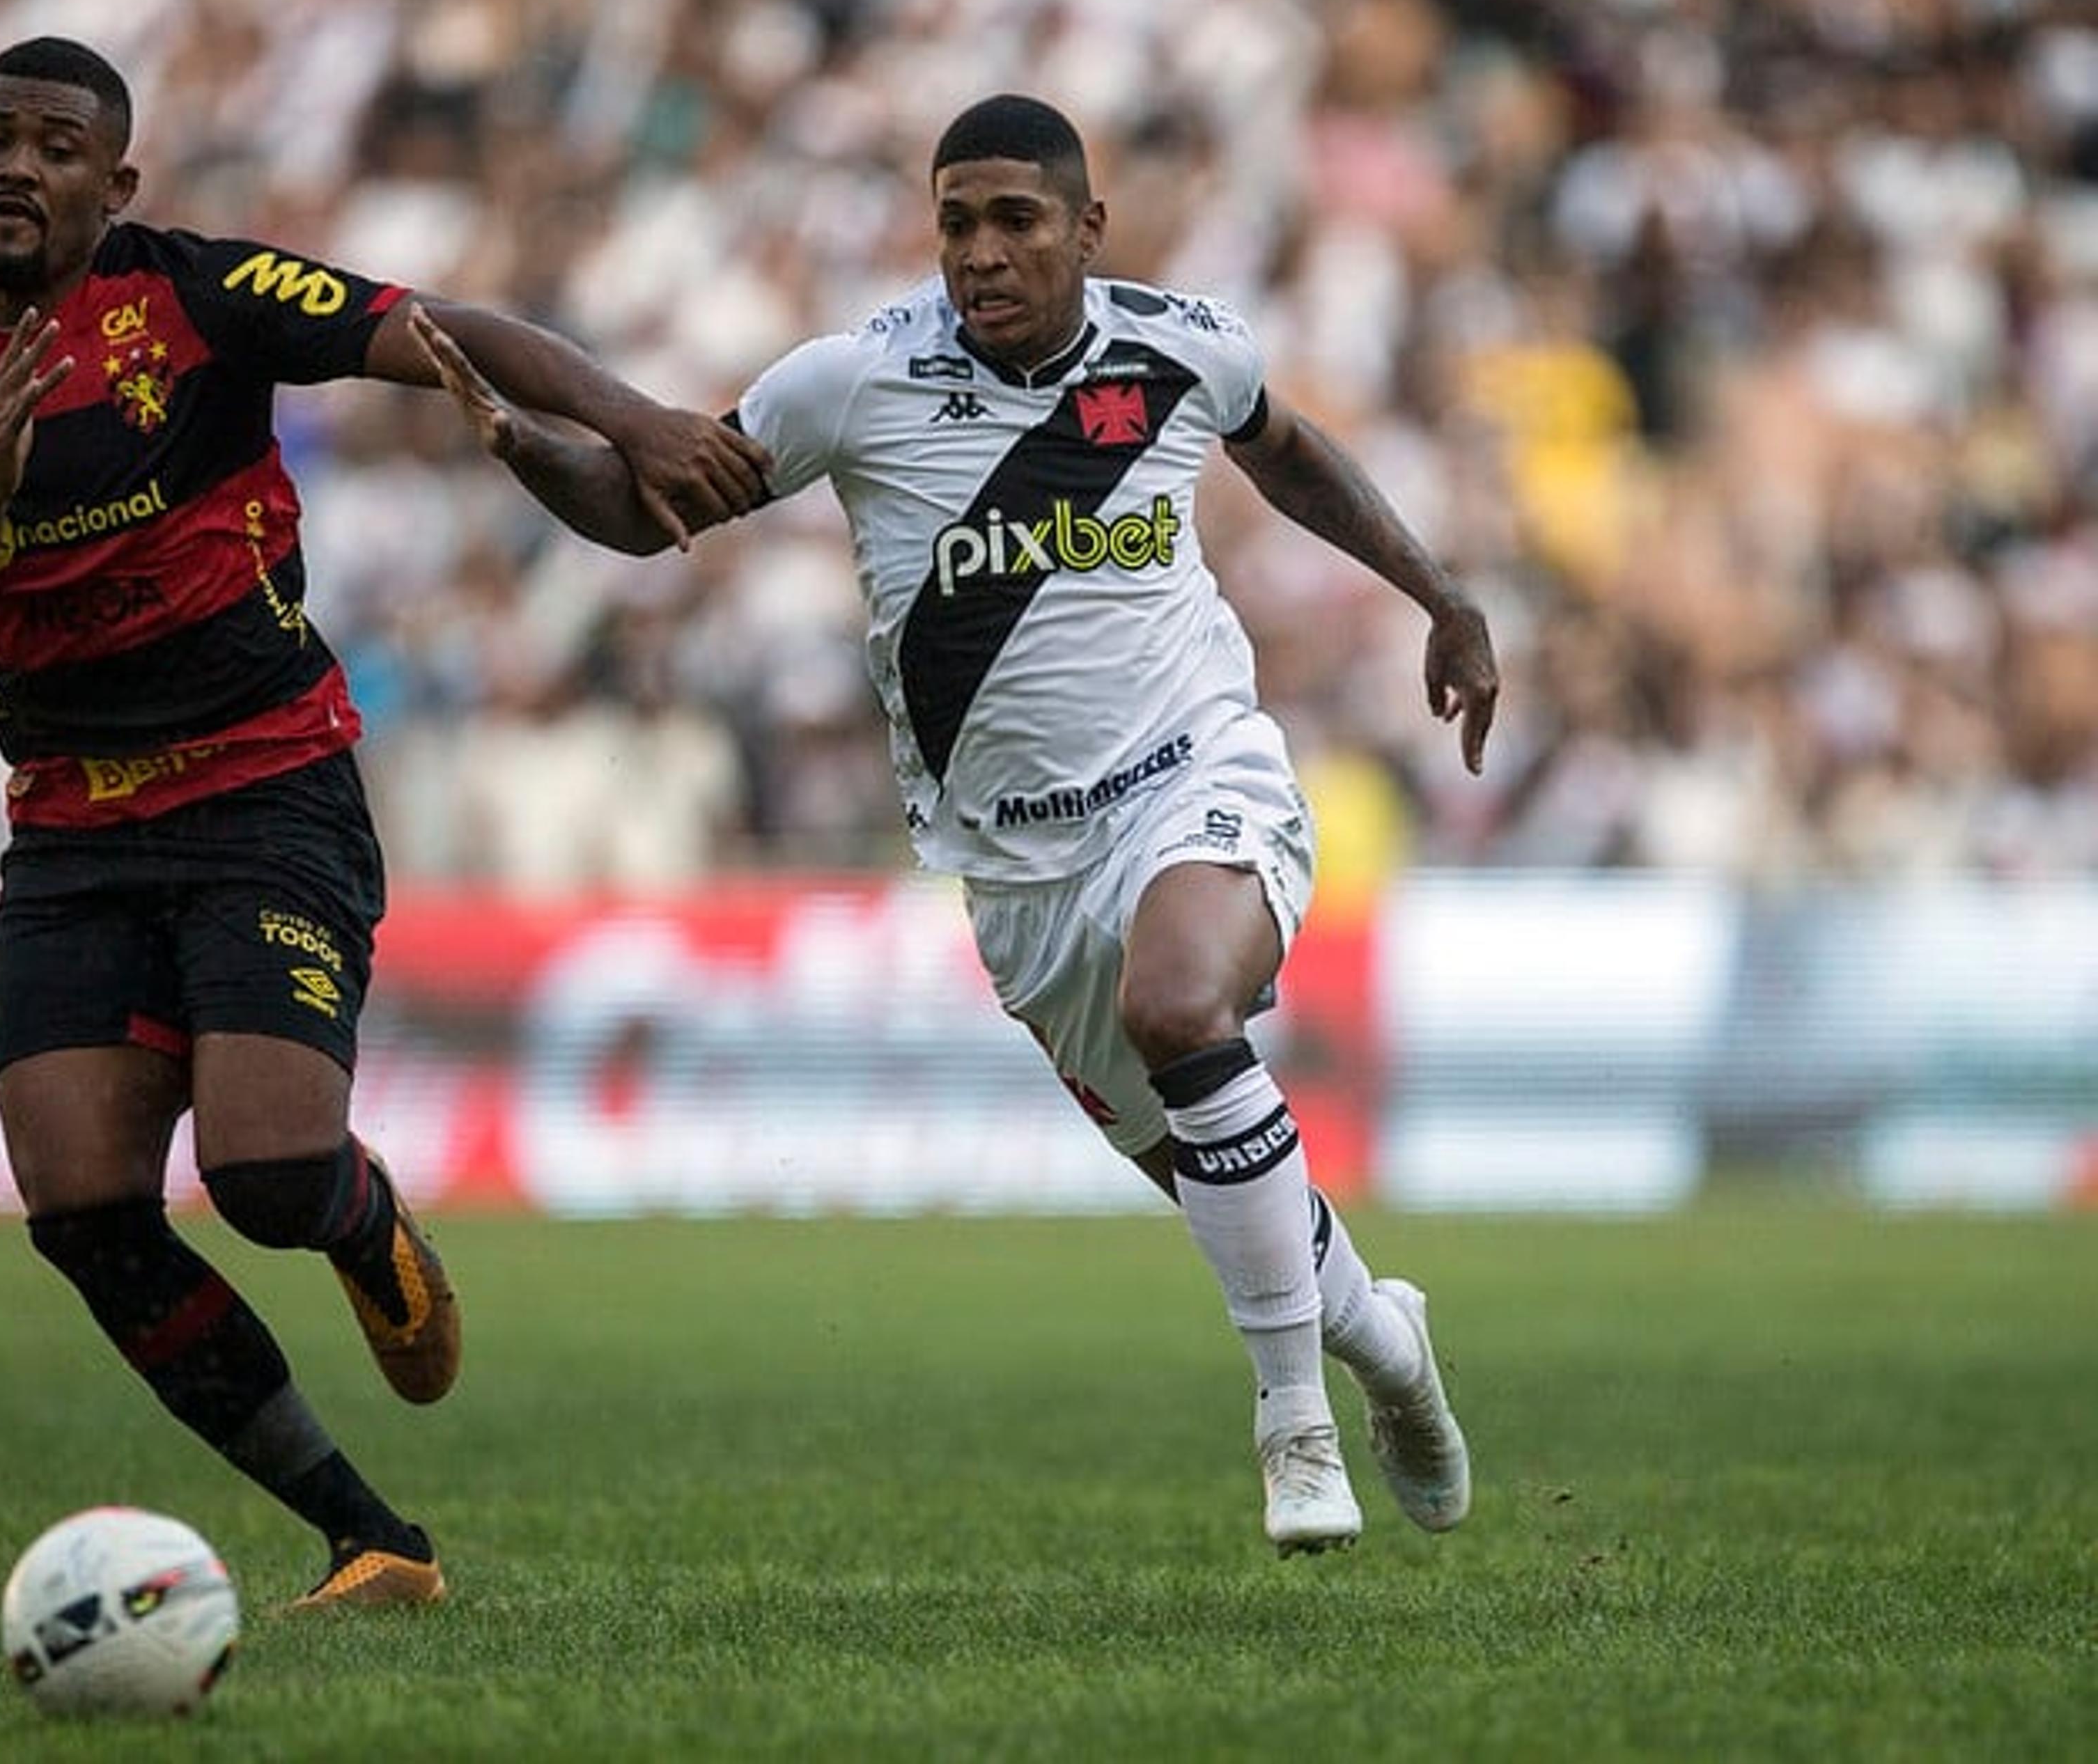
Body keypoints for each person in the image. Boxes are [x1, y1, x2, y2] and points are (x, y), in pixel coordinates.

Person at [411, 95, 1497, 1555]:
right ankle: (1389, 1349)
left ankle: (1295, 1428)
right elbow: (645, 503)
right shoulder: (848, 384)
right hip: (1016, 874)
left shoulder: (1178, 346)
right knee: (1226, 1175)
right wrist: (517, 442)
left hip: (1195, 775)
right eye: (955, 225)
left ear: (1087, 229)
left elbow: (1286, 448)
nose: (979, 255)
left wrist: (1440, 595)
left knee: (1186, 1007)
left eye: (1014, 221)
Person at [0, 38, 768, 1607]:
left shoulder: (197, 299)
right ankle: (370, 1537)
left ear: (113, 186)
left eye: (58, 147)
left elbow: (435, 326)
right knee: (81, 1210)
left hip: (265, 786)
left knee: (268, 1174)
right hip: (68, 829)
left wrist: (637, 417)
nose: (17, 166)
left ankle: (364, 1227)